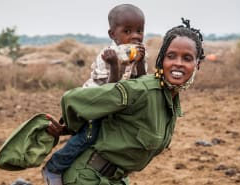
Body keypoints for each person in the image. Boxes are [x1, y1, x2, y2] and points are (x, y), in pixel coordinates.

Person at [46, 17, 205, 185]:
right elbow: (74, 99)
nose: (178, 64)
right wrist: (70, 127)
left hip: (116, 179)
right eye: (171, 56)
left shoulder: (170, 100)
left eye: (187, 58)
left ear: (198, 64)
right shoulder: (141, 89)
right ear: (161, 60)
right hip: (87, 178)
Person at [42, 4, 147, 185]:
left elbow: (141, 81)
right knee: (89, 135)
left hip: (111, 107)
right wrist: (114, 65)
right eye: (127, 31)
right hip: (92, 104)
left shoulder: (137, 54)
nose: (135, 36)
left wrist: (140, 62)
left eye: (139, 30)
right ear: (112, 34)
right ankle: (54, 166)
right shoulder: (106, 56)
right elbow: (108, 92)